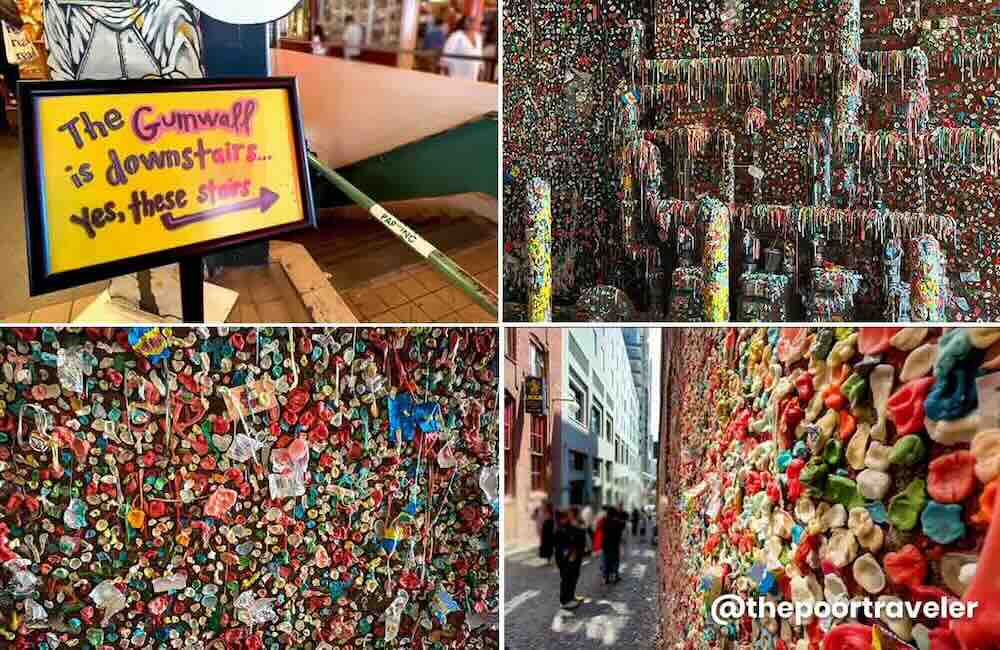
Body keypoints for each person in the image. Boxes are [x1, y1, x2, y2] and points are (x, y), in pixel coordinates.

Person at [44, 0, 204, 80]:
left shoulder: (170, 9)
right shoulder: (60, 7)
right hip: (87, 122)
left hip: (157, 122)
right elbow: (58, 82)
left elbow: (190, 85)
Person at [553, 508, 586, 609]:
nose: (568, 518)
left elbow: (579, 535)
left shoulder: (568, 526)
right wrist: (570, 555)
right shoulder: (561, 529)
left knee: (573, 577)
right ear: (561, 518)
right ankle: (565, 601)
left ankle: (571, 597)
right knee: (567, 578)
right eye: (566, 516)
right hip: (568, 557)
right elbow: (565, 544)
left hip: (574, 556)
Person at [440, 15, 482, 81]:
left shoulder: (478, 37)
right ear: (464, 21)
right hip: (455, 78)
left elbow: (479, 59)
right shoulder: (456, 36)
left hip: (472, 79)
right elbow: (445, 59)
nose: (472, 23)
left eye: (475, 20)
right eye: (470, 20)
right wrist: (447, 79)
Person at [602, 506, 625, 584]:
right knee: (615, 560)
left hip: (605, 544)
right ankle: (615, 575)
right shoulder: (618, 522)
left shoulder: (604, 521)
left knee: (606, 560)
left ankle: (605, 577)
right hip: (614, 544)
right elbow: (623, 525)